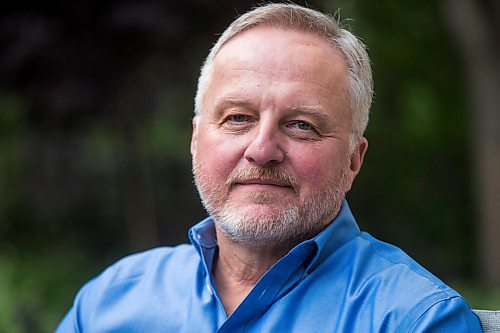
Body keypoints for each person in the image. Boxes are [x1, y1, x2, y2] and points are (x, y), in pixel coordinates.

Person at [56, 3, 482, 332]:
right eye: (238, 118)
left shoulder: (414, 319)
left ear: (354, 160)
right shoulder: (109, 300)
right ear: (195, 140)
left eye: (301, 125)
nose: (262, 149)